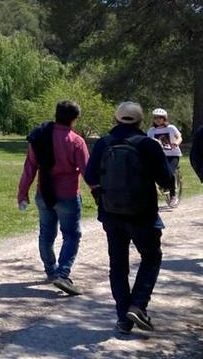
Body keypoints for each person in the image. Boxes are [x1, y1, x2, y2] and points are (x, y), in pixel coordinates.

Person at [84, 101, 174, 335]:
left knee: (118, 265)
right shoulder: (148, 144)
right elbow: (166, 178)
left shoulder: (104, 143)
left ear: (116, 119)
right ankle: (138, 305)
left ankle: (124, 317)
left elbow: (90, 174)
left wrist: (99, 195)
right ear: (140, 121)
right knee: (151, 257)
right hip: (143, 214)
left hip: (111, 214)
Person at [17, 100, 89, 296]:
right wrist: (98, 191)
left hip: (44, 193)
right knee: (72, 235)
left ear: (56, 114)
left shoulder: (39, 137)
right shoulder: (76, 141)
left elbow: (29, 168)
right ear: (74, 119)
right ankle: (63, 274)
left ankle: (51, 270)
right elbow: (87, 171)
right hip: (67, 195)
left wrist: (22, 194)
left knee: (46, 234)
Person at [146, 108, 183, 204]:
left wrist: (176, 143)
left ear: (164, 118)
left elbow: (179, 137)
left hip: (173, 154)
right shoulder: (151, 131)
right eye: (155, 118)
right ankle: (163, 185)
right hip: (160, 156)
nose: (158, 119)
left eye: (160, 117)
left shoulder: (171, 128)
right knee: (153, 173)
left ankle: (173, 195)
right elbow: (148, 142)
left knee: (170, 171)